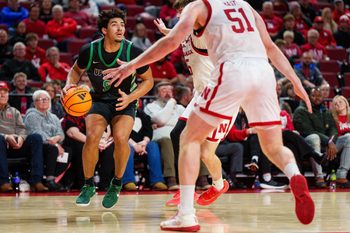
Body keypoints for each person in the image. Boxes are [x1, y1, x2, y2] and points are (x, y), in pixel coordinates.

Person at [102, 0, 314, 230]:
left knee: (188, 139)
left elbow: (172, 42)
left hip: (231, 74)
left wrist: (131, 65)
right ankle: (294, 175)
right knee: (273, 147)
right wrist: (296, 81)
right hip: (263, 72)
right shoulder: (245, 6)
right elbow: (271, 48)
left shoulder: (200, 7)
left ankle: (186, 215)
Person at [62, 8, 153, 208]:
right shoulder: (90, 50)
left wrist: (131, 97)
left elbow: (148, 81)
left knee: (121, 139)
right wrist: (70, 84)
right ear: (104, 30)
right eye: (114, 25)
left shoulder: (132, 51)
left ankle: (117, 184)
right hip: (99, 100)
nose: (120, 28)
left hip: (124, 101)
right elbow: (75, 71)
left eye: (122, 24)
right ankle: (88, 185)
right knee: (92, 137)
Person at [0, 81, 48, 192]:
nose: (3, 94)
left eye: (5, 92)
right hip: (1, 145)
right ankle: (3, 182)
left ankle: (36, 181)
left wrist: (21, 138)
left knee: (36, 138)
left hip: (15, 145)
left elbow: (22, 129)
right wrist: (6, 136)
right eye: (0, 92)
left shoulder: (14, 111)